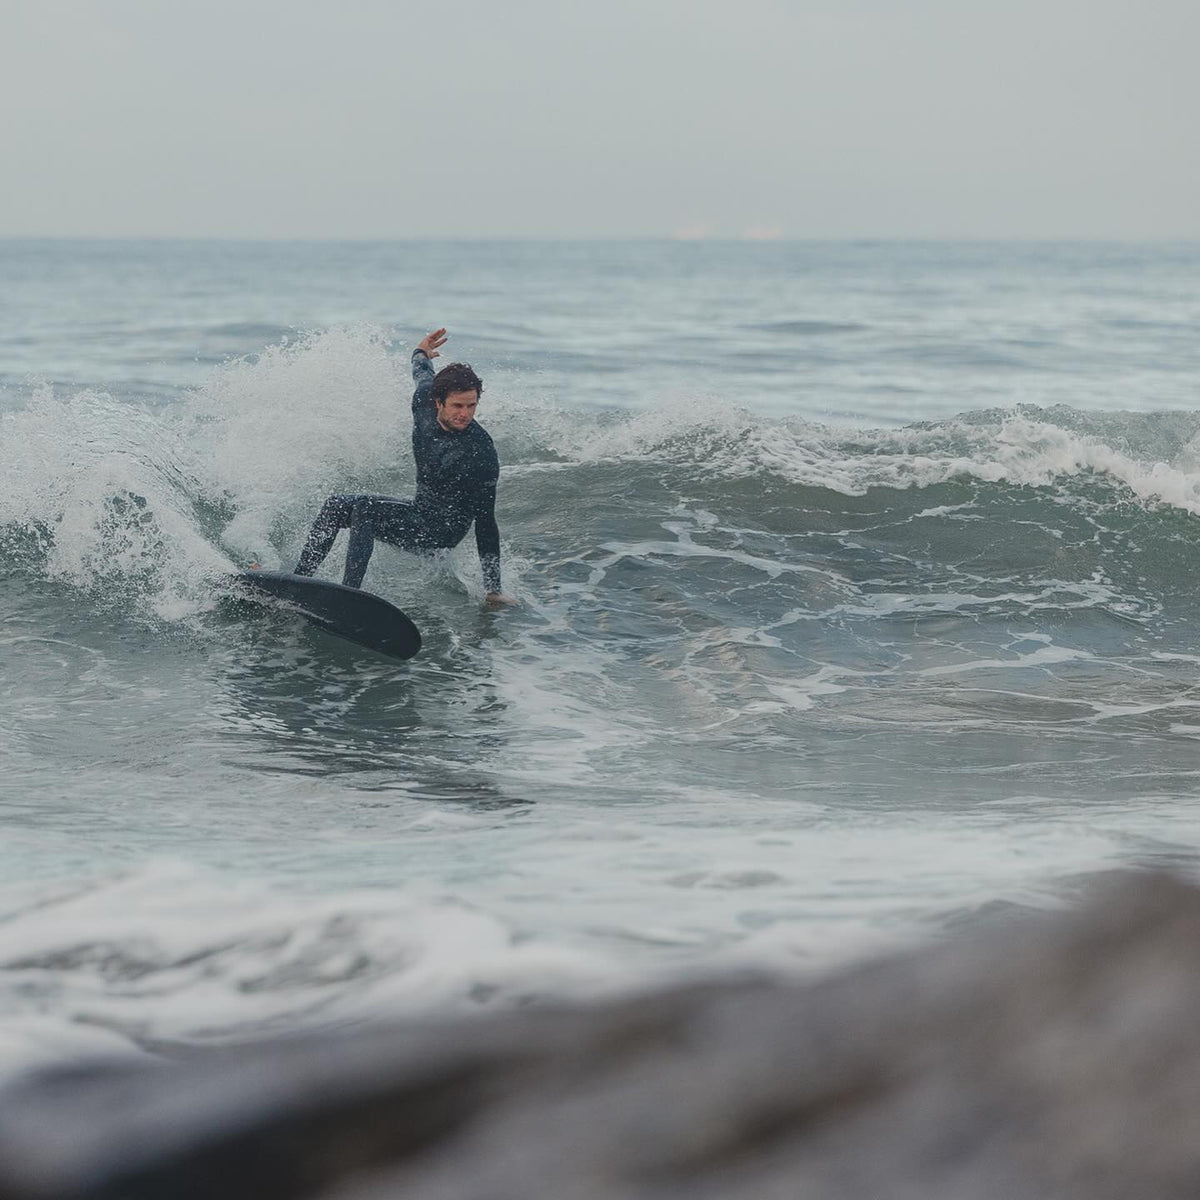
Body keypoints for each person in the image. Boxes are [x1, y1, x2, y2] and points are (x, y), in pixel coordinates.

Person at [294, 328, 514, 605]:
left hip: (443, 533)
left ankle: (350, 597)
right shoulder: (423, 400)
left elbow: (486, 523)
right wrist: (420, 351)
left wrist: (493, 588)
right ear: (437, 402)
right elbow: (422, 371)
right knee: (336, 505)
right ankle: (297, 582)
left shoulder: (479, 451)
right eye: (458, 406)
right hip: (419, 511)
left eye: (471, 406)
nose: (465, 414)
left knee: (365, 509)